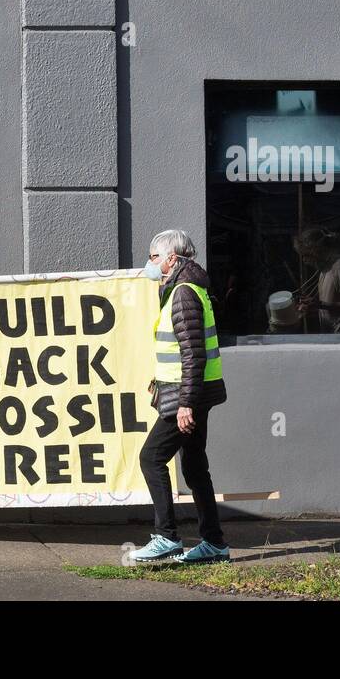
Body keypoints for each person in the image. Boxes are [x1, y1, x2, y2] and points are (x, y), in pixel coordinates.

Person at [131, 229, 231, 564]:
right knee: (194, 465)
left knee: (151, 458)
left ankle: (167, 538)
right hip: (189, 393)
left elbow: (193, 354)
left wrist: (186, 403)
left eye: (154, 256)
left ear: (172, 259)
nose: (150, 263)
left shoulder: (183, 293)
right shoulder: (185, 287)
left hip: (186, 398)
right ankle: (214, 543)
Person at [293, 226, 340, 333]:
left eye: (306, 255)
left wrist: (321, 305)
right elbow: (332, 302)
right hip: (332, 335)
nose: (304, 260)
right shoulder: (325, 268)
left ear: (317, 250)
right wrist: (313, 306)